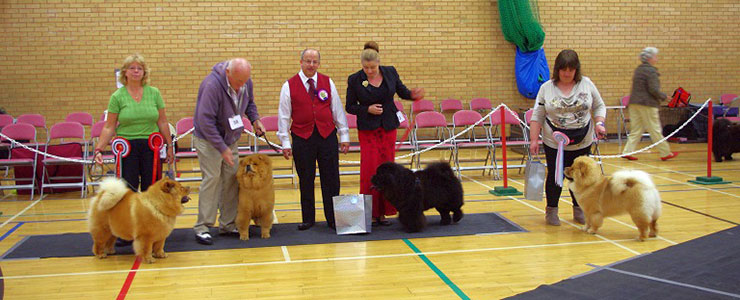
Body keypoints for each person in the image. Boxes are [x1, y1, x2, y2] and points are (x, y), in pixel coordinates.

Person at [94, 54, 174, 247]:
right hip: (126, 148)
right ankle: (125, 230)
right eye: (132, 68)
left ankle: (153, 228)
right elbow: (109, 126)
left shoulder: (154, 93)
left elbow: (162, 121)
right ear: (125, 73)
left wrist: (169, 145)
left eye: (140, 68)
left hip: (152, 146)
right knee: (127, 190)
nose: (136, 71)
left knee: (152, 189)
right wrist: (99, 149)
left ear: (144, 72)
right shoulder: (117, 97)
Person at [346, 41, 424, 226]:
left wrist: (413, 95)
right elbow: (350, 106)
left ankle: (384, 213)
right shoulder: (356, 79)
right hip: (368, 131)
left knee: (388, 170)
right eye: (365, 68)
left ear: (378, 63)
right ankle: (371, 213)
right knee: (370, 170)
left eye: (372, 67)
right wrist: (367, 109)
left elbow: (402, 91)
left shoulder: (390, 72)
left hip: (388, 128)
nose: (369, 71)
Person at [528, 49, 607, 226]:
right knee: (556, 176)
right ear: (557, 69)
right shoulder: (546, 88)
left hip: (583, 139)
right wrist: (534, 140)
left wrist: (600, 123)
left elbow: (599, 106)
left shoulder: (586, 84)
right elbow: (537, 115)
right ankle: (551, 211)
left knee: (579, 176)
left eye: (571, 70)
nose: (567, 73)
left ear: (576, 70)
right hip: (554, 141)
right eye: (563, 69)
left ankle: (579, 209)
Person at [192, 58, 265, 245]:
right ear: (228, 73)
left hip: (230, 138)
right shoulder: (211, 85)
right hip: (209, 140)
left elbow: (249, 103)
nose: (242, 86)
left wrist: (255, 120)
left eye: (245, 81)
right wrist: (222, 148)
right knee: (212, 180)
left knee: (232, 180)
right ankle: (203, 227)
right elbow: (205, 121)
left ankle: (228, 224)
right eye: (239, 82)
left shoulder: (245, 81)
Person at [277, 49, 350, 231]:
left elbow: (337, 110)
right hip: (302, 138)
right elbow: (284, 117)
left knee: (331, 179)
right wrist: (285, 142)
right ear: (301, 62)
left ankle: (333, 218)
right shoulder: (289, 85)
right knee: (306, 179)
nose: (311, 65)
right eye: (308, 61)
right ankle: (308, 218)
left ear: (319, 63)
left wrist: (344, 135)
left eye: (315, 62)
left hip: (327, 137)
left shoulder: (328, 82)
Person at [621, 47, 679, 161]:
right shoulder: (651, 71)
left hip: (634, 103)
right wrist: (664, 97)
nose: (656, 59)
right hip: (647, 104)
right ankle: (665, 152)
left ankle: (627, 151)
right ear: (650, 58)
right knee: (655, 129)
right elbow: (653, 89)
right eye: (655, 57)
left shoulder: (638, 69)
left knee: (636, 129)